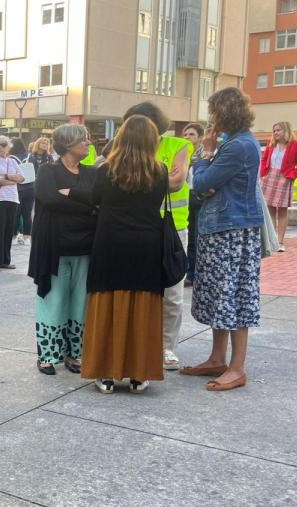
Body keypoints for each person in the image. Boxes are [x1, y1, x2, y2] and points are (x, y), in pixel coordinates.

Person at [180, 87, 264, 392]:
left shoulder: (238, 146)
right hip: (224, 228)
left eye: (212, 111)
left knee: (235, 298)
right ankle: (218, 359)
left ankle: (237, 367)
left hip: (232, 231)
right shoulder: (237, 143)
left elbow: (200, 183)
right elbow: (204, 188)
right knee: (221, 297)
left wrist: (204, 155)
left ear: (223, 112)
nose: (209, 118)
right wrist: (207, 180)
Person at [78, 115, 169, 393]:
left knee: (107, 303)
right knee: (143, 306)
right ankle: (140, 373)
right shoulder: (160, 171)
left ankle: (104, 372)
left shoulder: (106, 170)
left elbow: (95, 200)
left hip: (111, 243)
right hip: (146, 245)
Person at [122, 102, 192, 372]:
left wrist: (138, 177)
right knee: (139, 291)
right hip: (138, 227)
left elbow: (177, 181)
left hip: (173, 228)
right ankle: (139, 342)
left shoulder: (178, 145)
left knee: (172, 293)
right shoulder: (127, 146)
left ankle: (166, 346)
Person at [27, 124, 97, 375]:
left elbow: (98, 201)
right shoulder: (48, 170)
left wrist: (72, 195)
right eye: (84, 140)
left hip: (85, 247)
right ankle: (47, 354)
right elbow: (49, 198)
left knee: (80, 303)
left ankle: (73, 354)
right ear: (68, 144)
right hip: (54, 247)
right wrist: (85, 204)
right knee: (53, 300)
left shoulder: (92, 172)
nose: (89, 144)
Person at [260, 121, 297, 249]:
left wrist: (292, 175)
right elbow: (264, 159)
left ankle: (280, 242)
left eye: (278, 130)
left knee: (282, 211)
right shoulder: (271, 145)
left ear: (285, 131)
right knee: (269, 210)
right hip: (269, 178)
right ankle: (271, 240)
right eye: (274, 130)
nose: (275, 133)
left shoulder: (296, 145)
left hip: (284, 178)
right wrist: (263, 173)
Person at [0, 135, 24, 271]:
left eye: (3, 145)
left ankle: (5, 261)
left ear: (8, 147)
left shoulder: (12, 162)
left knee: (9, 231)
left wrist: (7, 177)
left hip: (12, 198)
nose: (1, 148)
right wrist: (13, 181)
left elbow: (22, 177)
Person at [182, 122, 204, 286]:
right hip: (185, 197)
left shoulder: (205, 154)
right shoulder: (183, 153)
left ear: (200, 137)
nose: (188, 137)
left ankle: (194, 273)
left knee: (196, 238)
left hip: (199, 197)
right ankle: (188, 271)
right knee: (188, 237)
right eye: (186, 134)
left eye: (192, 134)